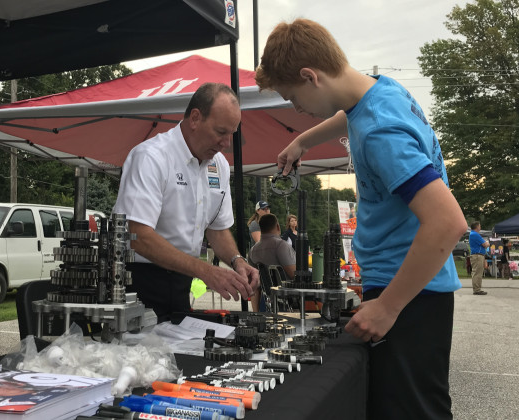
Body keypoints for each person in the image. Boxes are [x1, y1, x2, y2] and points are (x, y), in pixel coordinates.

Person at [256, 18, 467, 420]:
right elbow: (351, 114)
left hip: (407, 293)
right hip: (411, 288)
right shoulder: (380, 91)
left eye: (293, 98)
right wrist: (303, 140)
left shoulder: (380, 133)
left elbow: (447, 221)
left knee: (411, 411)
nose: (296, 108)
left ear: (310, 76)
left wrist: (387, 307)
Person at [113, 82, 259, 323]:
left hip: (182, 282)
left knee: (179, 354)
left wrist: (237, 261)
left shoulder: (219, 165)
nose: (226, 143)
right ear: (195, 118)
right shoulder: (151, 157)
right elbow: (137, 235)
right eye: (221, 132)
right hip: (139, 285)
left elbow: (217, 228)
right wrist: (206, 271)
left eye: (232, 134)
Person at [248, 213, 297, 280]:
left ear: (261, 228)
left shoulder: (252, 251)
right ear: (277, 227)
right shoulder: (281, 245)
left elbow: (253, 279)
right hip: (285, 289)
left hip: (264, 290)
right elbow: (294, 275)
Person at [469, 222, 489, 294]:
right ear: (477, 227)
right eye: (480, 226)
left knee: (477, 272)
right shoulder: (475, 234)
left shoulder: (473, 234)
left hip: (477, 255)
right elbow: (485, 244)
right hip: (477, 255)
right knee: (477, 272)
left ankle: (477, 288)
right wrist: (487, 242)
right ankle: (477, 289)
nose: (480, 227)